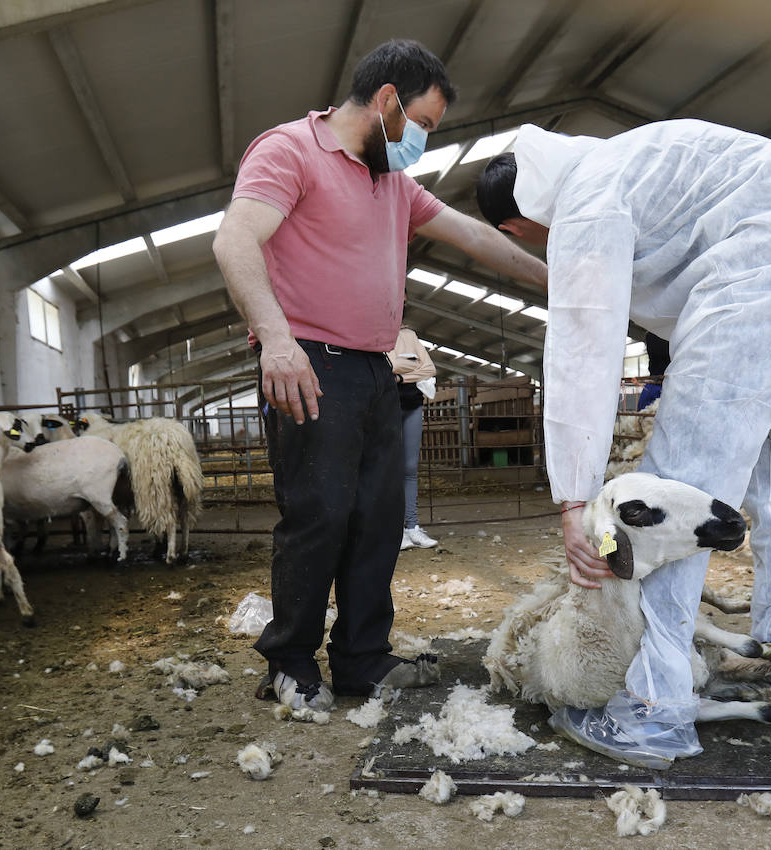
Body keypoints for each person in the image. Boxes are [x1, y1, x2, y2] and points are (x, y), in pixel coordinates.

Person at [476, 120, 771, 770]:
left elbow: (583, 349)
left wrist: (574, 503)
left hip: (757, 284)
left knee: (675, 498)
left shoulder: (586, 200)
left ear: (519, 225)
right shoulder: (627, 163)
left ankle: (654, 710)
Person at [212, 40, 547, 712]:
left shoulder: (390, 181)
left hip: (375, 368)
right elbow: (233, 239)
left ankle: (363, 660)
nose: (423, 140)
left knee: (376, 519)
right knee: (319, 516)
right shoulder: (288, 151)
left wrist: (560, 281)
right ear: (388, 101)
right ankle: (290, 663)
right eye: (423, 122)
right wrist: (275, 340)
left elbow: (472, 236)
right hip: (309, 362)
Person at [388, 324, 438, 550]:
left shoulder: (409, 335)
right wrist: (402, 368)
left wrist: (399, 377)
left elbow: (428, 369)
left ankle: (412, 527)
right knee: (390, 468)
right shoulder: (375, 333)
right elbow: (383, 370)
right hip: (386, 407)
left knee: (410, 468)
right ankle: (394, 529)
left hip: (412, 405)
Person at [636, 333, 670, 411]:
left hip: (654, 382)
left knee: (643, 414)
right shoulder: (671, 334)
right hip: (662, 382)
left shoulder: (651, 335)